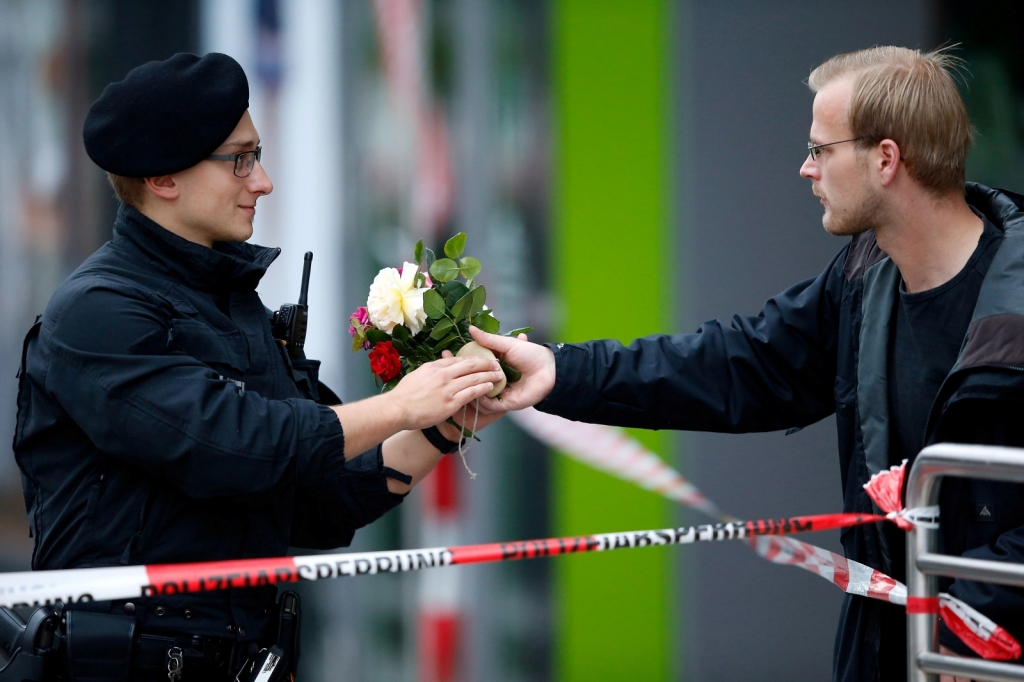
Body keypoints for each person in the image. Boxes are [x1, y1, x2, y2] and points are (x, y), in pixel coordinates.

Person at [471, 46, 1024, 682]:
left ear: (886, 159)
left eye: (820, 150)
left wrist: (978, 615)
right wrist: (560, 371)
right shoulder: (863, 279)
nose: (804, 168)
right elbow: (737, 364)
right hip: (888, 650)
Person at [11, 53, 503, 681]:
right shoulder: (98, 310)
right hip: (122, 663)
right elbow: (232, 444)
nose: (263, 181)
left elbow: (321, 494)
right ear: (164, 177)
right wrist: (401, 404)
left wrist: (448, 417)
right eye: (240, 159)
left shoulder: (232, 303)